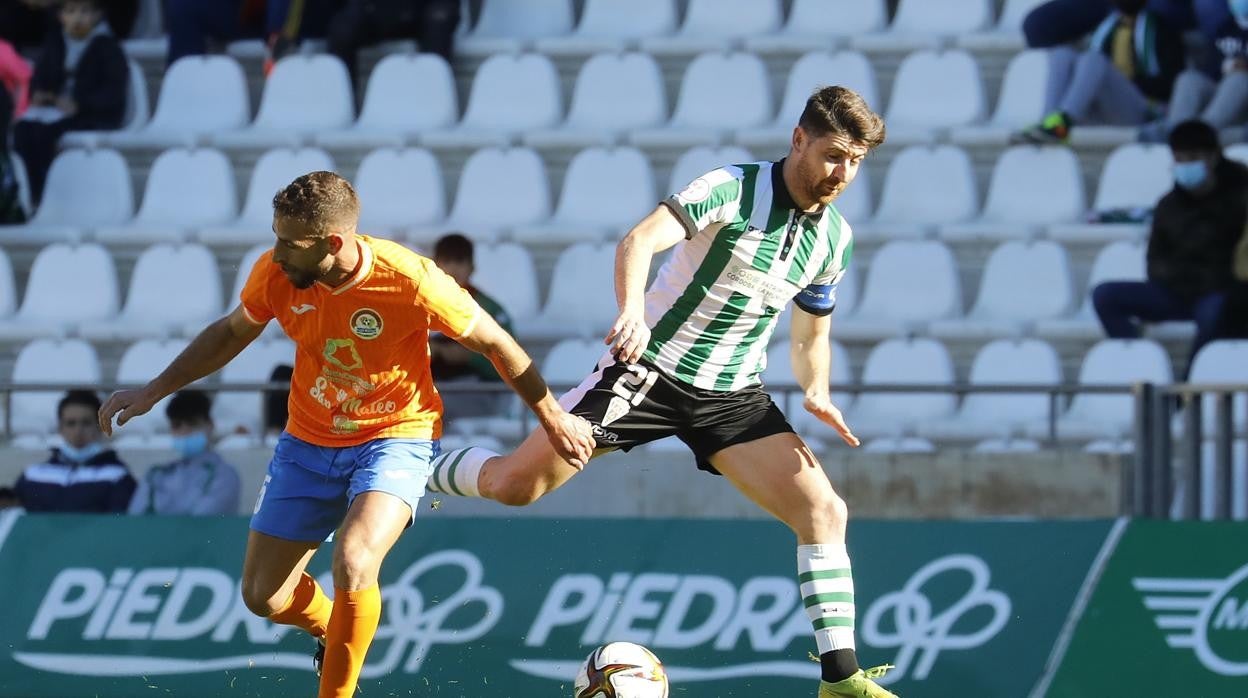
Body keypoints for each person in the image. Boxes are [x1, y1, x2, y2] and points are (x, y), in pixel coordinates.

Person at [425, 85, 897, 698]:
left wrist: (818, 390)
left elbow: (811, 335)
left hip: (731, 395)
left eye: (856, 161)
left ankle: (841, 680)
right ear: (799, 139)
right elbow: (639, 241)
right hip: (648, 369)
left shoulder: (834, 239)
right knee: (515, 485)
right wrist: (632, 313)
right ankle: (411, 467)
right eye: (835, 154)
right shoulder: (730, 186)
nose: (843, 172)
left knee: (825, 511)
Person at [98, 171, 593, 698]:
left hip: (396, 437)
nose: (277, 252)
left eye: (290, 242)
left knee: (355, 559)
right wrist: (155, 390)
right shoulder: (276, 274)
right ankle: (334, 629)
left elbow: (495, 342)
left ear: (332, 243)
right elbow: (229, 333)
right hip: (307, 443)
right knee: (263, 597)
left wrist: (551, 415)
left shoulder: (411, 279)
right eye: (276, 237)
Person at [1093, 119, 1248, 376]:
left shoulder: (1241, 198)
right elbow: (1155, 261)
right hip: (1175, 292)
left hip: (1222, 294)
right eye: (1180, 159)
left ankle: (1188, 386)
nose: (1186, 166)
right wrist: (1179, 280)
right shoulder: (1168, 205)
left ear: (1213, 157)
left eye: (1194, 157)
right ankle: (1146, 373)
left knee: (1215, 311)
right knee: (1105, 296)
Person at [1015, 0, 1185, 144]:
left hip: (1143, 109)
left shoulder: (1162, 29)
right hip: (1103, 106)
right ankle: (1049, 122)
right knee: (1062, 55)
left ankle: (1063, 123)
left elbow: (1172, 84)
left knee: (1093, 59)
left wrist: (1126, 81)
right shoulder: (1106, 25)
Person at [13, 0, 128, 205]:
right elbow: (39, 77)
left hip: (91, 115)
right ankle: (26, 190)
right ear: (60, 16)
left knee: (42, 134)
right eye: (71, 11)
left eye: (85, 11)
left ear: (97, 16)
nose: (77, 18)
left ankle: (44, 193)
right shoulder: (55, 43)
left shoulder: (108, 47)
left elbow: (113, 94)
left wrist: (80, 104)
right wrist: (40, 94)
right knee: (23, 129)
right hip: (56, 111)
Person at [429, 232, 513, 420]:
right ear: (434, 265)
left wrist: (470, 357)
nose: (453, 268)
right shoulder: (419, 303)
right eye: (447, 261)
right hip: (431, 385)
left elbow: (512, 360)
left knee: (429, 405)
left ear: (472, 268)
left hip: (479, 390)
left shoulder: (488, 308)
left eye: (460, 261)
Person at [1140, 0, 1248, 142]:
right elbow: (1213, 69)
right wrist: (1227, 67)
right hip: (1225, 97)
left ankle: (1201, 132)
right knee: (1189, 79)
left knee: (1239, 79)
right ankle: (1176, 128)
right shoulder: (1226, 27)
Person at [15, 390, 135, 513]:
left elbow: (119, 525)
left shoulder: (117, 476)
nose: (78, 431)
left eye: (86, 423)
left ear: (101, 426)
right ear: (60, 428)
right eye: (71, 423)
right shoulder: (33, 475)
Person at [128, 389, 242, 516]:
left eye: (192, 423)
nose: (184, 430)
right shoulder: (154, 474)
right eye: (177, 425)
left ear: (210, 425)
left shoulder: (225, 475)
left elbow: (201, 524)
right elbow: (137, 521)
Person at [326, 0, 459, 96]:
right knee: (342, 29)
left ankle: (434, 101)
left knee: (439, 19)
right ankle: (341, 105)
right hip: (378, 8)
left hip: (427, 7)